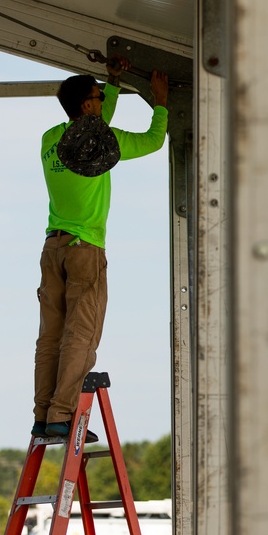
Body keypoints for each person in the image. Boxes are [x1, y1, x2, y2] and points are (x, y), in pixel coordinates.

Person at [32, 58, 169, 441]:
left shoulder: (50, 139)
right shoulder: (104, 142)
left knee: (50, 337)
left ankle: (43, 415)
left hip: (52, 246)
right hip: (84, 250)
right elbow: (154, 140)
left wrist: (110, 82)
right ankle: (63, 415)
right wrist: (159, 102)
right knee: (81, 335)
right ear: (89, 105)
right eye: (98, 98)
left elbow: (95, 121)